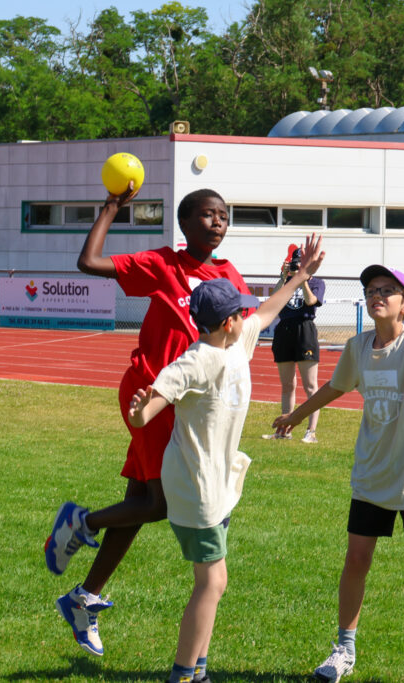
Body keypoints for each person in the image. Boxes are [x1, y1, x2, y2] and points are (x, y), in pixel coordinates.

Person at [44, 186, 252, 658]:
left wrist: (296, 277)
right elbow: (89, 263)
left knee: (139, 501)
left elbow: (244, 327)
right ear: (185, 223)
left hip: (184, 403)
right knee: (160, 504)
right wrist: (112, 208)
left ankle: (84, 598)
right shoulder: (164, 265)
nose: (218, 222)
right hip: (150, 394)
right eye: (207, 215)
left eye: (224, 215)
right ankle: (80, 522)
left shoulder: (227, 273)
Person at [272, 264, 404, 683]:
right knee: (356, 560)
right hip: (372, 471)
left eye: (387, 290)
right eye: (372, 289)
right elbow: (336, 386)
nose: (378, 295)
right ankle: (344, 651)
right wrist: (296, 416)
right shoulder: (358, 346)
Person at [127, 236, 324, 683]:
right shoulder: (197, 361)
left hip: (219, 482)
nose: (248, 315)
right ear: (229, 321)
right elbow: (153, 405)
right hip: (195, 485)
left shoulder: (237, 344)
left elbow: (270, 309)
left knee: (215, 582)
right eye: (241, 310)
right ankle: (182, 674)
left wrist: (301, 276)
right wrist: (141, 411)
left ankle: (197, 670)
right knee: (211, 582)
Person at [262, 244, 325, 444]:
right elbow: (274, 299)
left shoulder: (317, 282)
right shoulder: (286, 281)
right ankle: (283, 430)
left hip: (304, 329)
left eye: (302, 262)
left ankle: (311, 432)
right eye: (297, 262)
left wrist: (303, 279)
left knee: (310, 385)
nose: (299, 266)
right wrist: (284, 277)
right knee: (288, 384)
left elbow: (310, 301)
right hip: (284, 330)